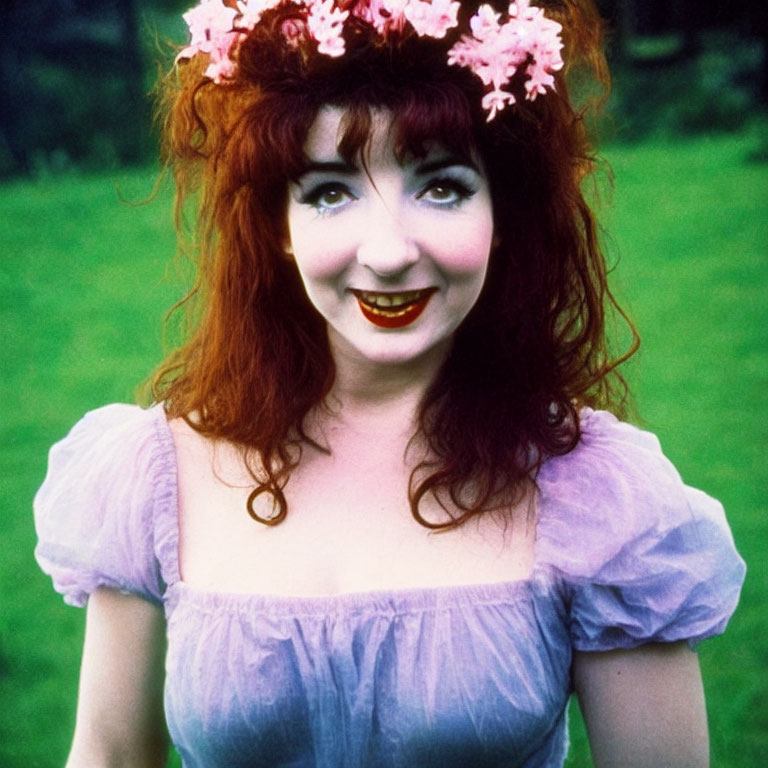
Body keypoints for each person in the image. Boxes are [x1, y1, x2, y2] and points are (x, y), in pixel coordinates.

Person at [34, 1, 746, 766]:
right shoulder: (156, 477)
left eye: (441, 186)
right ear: (280, 223)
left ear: (503, 211)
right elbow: (108, 753)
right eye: (330, 191)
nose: (387, 252)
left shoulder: (602, 498)